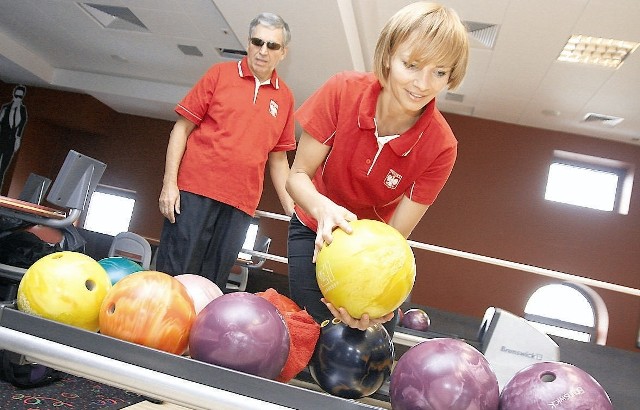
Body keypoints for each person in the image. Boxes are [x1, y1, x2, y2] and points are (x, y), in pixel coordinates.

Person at [286, 2, 469, 333]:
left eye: (439, 72)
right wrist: (324, 209)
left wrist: (371, 293)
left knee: (368, 338)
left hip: (372, 252)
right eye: (411, 65)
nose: (423, 84)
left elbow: (396, 236)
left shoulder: (441, 147)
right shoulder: (342, 90)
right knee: (314, 331)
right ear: (387, 56)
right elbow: (297, 177)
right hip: (315, 226)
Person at [157, 12, 296, 291]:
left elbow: (279, 161)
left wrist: (295, 212)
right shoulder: (219, 75)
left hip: (241, 204)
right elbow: (181, 130)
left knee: (212, 285)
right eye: (257, 42)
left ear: (283, 52)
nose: (262, 51)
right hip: (194, 193)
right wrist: (169, 185)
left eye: (272, 45)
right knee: (174, 279)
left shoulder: (285, 98)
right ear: (248, 43)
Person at [0, 85, 28, 189]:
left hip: (11, 141)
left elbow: (20, 126)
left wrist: (18, 139)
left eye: (20, 96)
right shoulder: (6, 107)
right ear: (13, 94)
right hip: (2, 138)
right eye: (16, 95)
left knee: (3, 167)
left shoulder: (22, 110)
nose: (17, 98)